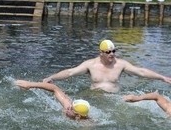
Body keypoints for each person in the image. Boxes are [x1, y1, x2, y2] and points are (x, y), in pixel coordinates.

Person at [43, 39, 171, 92]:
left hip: (114, 99)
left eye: (114, 51)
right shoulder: (90, 65)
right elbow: (70, 72)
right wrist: (52, 77)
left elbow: (141, 72)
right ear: (101, 53)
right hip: (95, 98)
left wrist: (162, 77)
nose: (112, 54)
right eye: (108, 52)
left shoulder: (121, 64)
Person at [15, 79, 91, 120]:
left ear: (78, 116)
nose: (68, 107)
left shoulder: (85, 126)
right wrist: (30, 84)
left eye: (71, 109)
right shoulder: (68, 106)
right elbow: (55, 88)